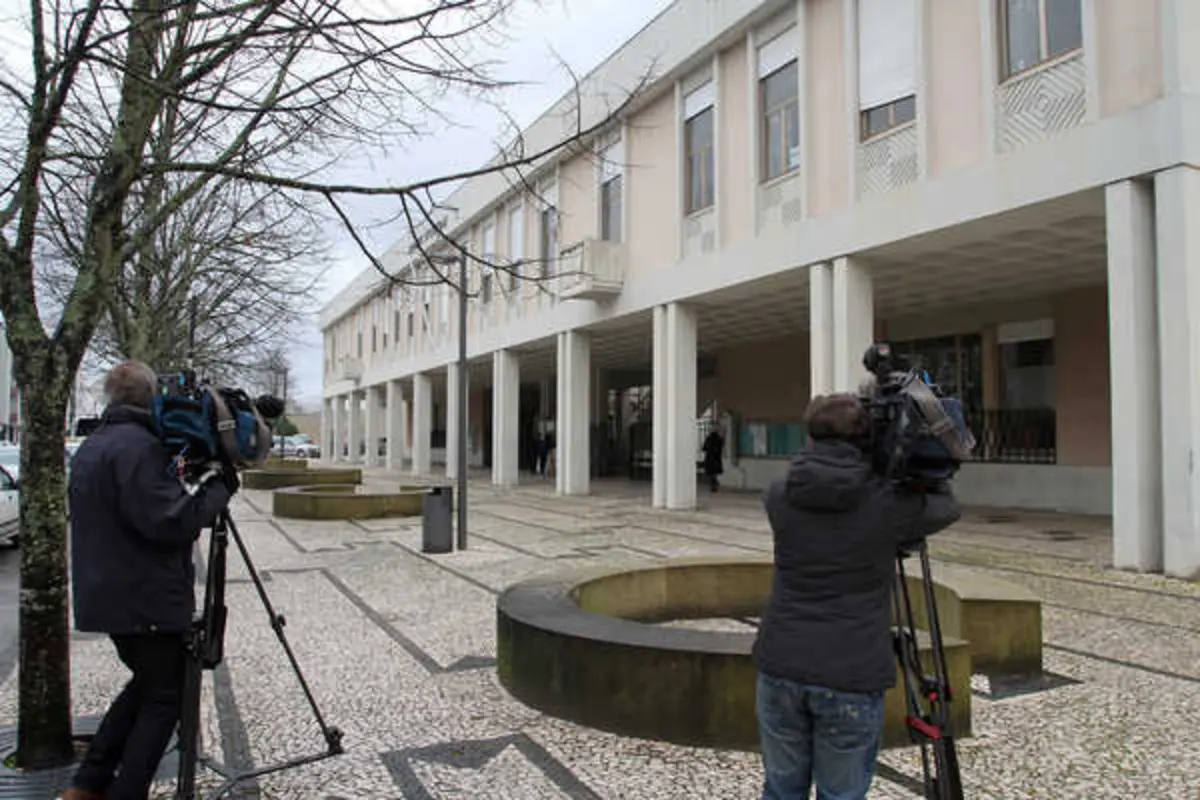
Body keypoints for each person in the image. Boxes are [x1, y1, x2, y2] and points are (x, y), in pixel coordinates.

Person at [753, 393, 960, 800]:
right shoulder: (887, 504)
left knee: (781, 789)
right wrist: (912, 467)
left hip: (780, 665)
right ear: (865, 440)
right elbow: (946, 507)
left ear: (810, 434)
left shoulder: (778, 493)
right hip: (850, 672)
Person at [65, 361, 238, 800]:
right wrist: (220, 486)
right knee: (166, 697)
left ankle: (88, 784)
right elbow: (170, 521)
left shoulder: (95, 445)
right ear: (153, 398)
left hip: (110, 595)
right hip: (145, 599)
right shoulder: (138, 449)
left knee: (148, 683)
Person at [701, 428, 724, 492]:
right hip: (717, 458)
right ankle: (714, 484)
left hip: (709, 458)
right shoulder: (719, 439)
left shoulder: (709, 439)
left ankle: (713, 485)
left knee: (711, 473)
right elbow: (721, 447)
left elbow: (704, 448)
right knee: (714, 473)